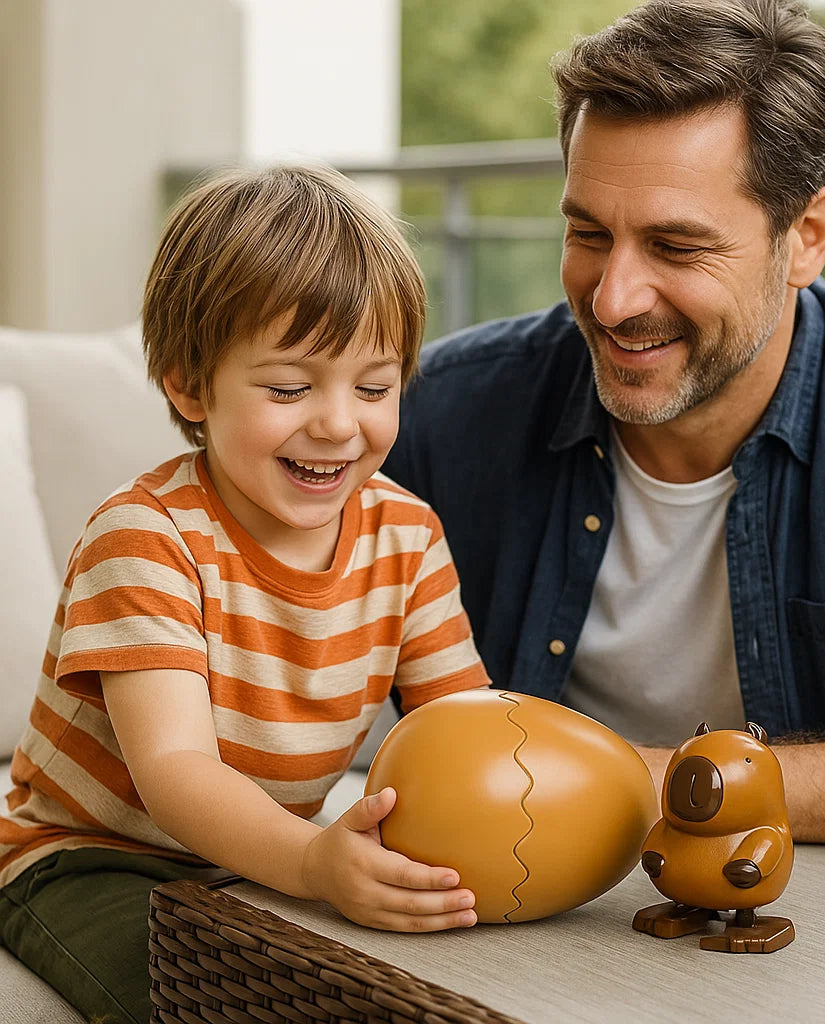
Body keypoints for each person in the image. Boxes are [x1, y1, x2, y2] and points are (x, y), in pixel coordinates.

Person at [384, 0, 825, 859]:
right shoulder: (448, 410)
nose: (613, 300)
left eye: (676, 248)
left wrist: (639, 781)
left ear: (807, 236)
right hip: (505, 903)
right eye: (587, 233)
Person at [0, 165, 488, 1023]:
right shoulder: (144, 538)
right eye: (290, 388)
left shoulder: (407, 535)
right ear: (190, 385)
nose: (340, 423)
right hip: (92, 856)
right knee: (194, 1000)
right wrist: (310, 866)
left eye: (374, 388)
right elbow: (177, 770)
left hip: (253, 855)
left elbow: (468, 723)